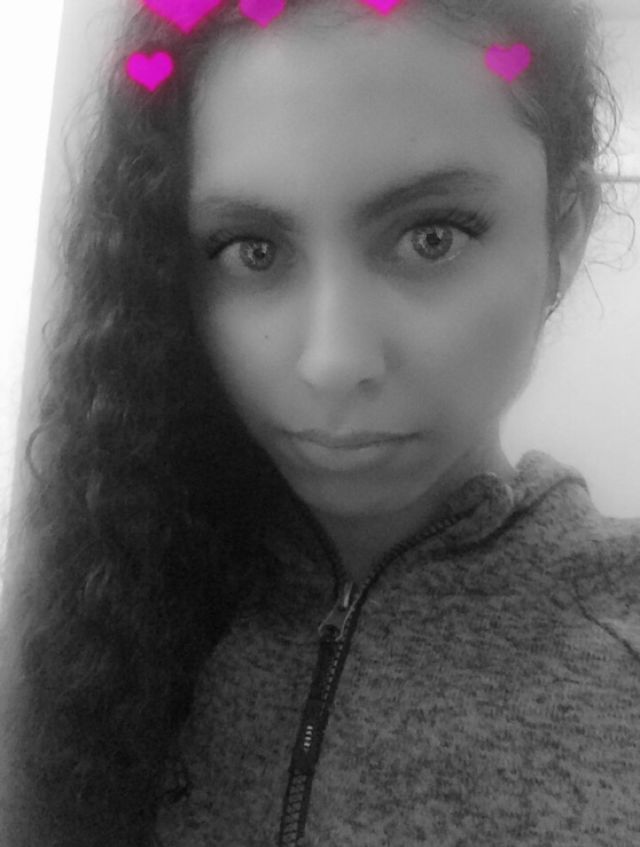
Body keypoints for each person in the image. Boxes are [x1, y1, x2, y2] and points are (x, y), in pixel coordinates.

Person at [1, 0, 639, 844]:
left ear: (564, 234)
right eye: (252, 249)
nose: (333, 360)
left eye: (432, 236)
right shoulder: (89, 609)